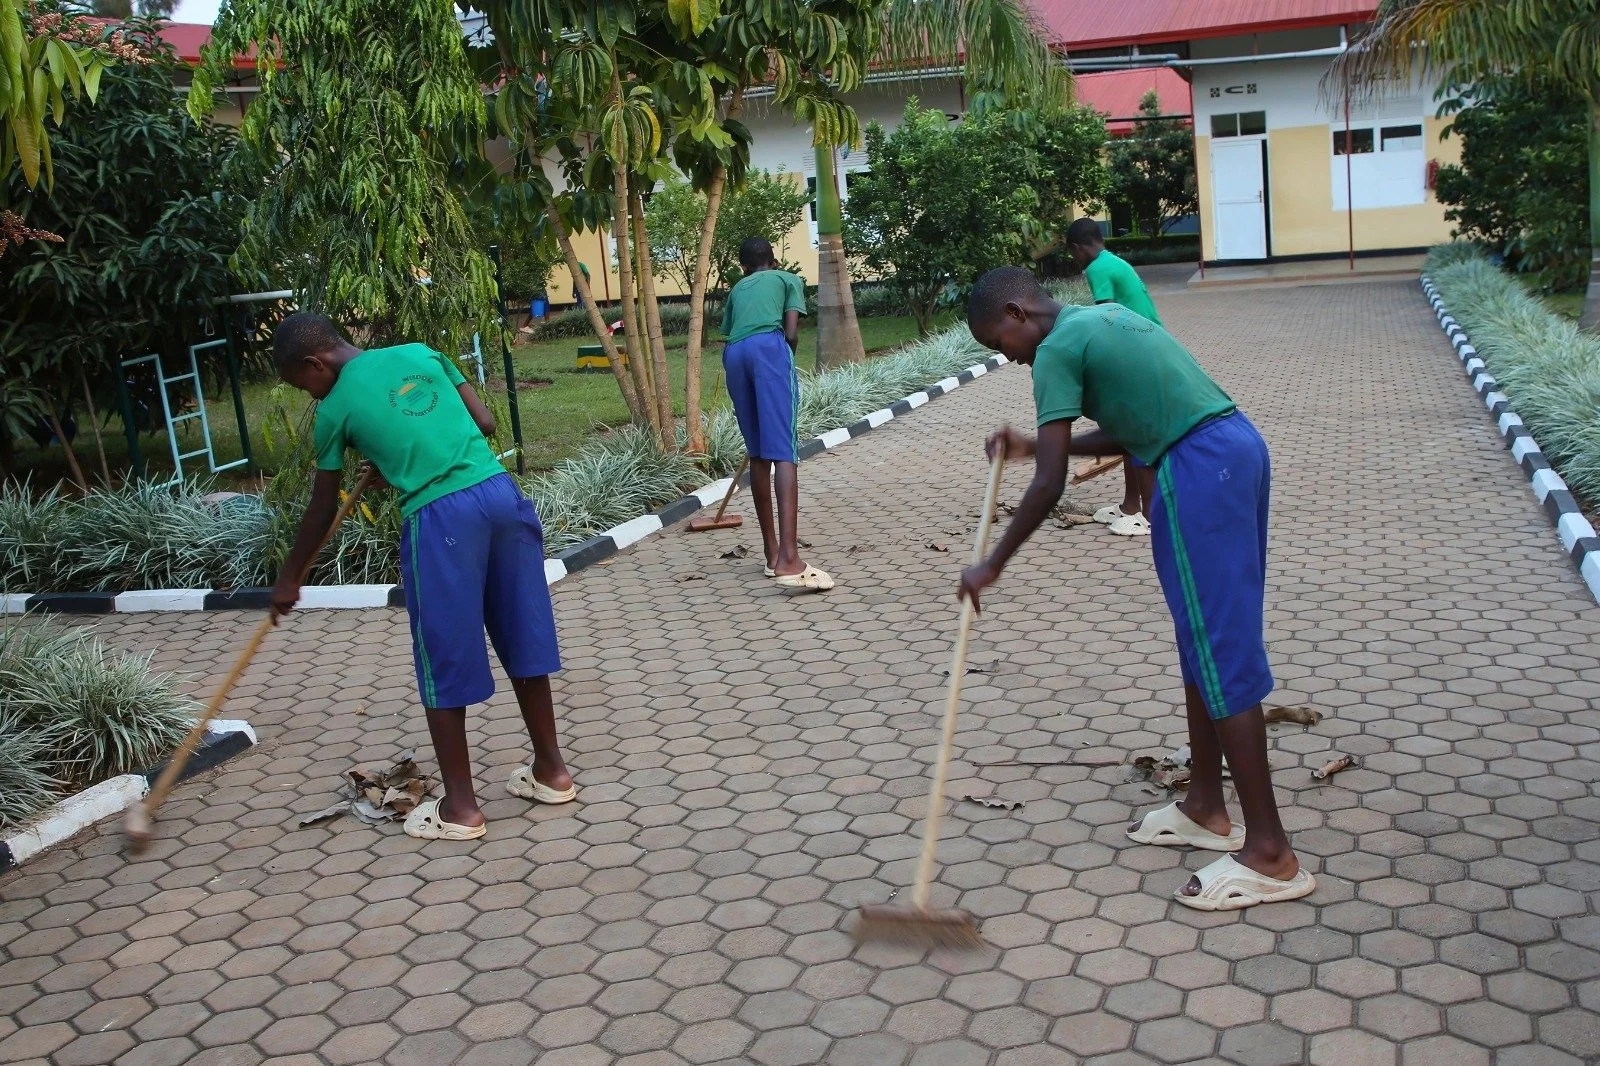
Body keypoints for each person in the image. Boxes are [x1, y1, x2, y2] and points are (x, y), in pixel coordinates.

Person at [958, 267, 1311, 912]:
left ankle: (1271, 854)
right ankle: (1205, 805)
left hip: (1203, 468)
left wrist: (992, 563)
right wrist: (1036, 444)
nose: (1006, 357)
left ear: (1015, 313)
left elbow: (1053, 485)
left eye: (997, 342)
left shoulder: (1056, 349)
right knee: (1200, 640)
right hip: (1230, 450)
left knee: (1220, 650)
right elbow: (1129, 427)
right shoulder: (1097, 320)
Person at [269, 313, 575, 841]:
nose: (311, 396)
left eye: (304, 385)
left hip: (441, 521)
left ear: (314, 364)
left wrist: (290, 578)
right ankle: (552, 773)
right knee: (520, 636)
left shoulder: (335, 410)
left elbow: (322, 508)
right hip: (501, 498)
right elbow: (484, 424)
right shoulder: (420, 351)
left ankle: (461, 808)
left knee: (443, 655)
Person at [720, 236, 834, 591]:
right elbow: (791, 331)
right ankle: (789, 558)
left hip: (735, 355)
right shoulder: (788, 280)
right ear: (774, 259)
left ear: (743, 267)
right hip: (769, 349)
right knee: (784, 451)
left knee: (758, 454)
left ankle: (772, 556)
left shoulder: (737, 289)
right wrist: (785, 358)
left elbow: (731, 334)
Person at [1066, 217, 1161, 538]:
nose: (1076, 262)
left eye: (1073, 255)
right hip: (1149, 344)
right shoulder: (1113, 261)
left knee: (1132, 429)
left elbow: (1106, 319)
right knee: (1125, 430)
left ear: (1079, 249)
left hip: (1140, 352)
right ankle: (1130, 505)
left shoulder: (1096, 269)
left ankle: (1148, 514)